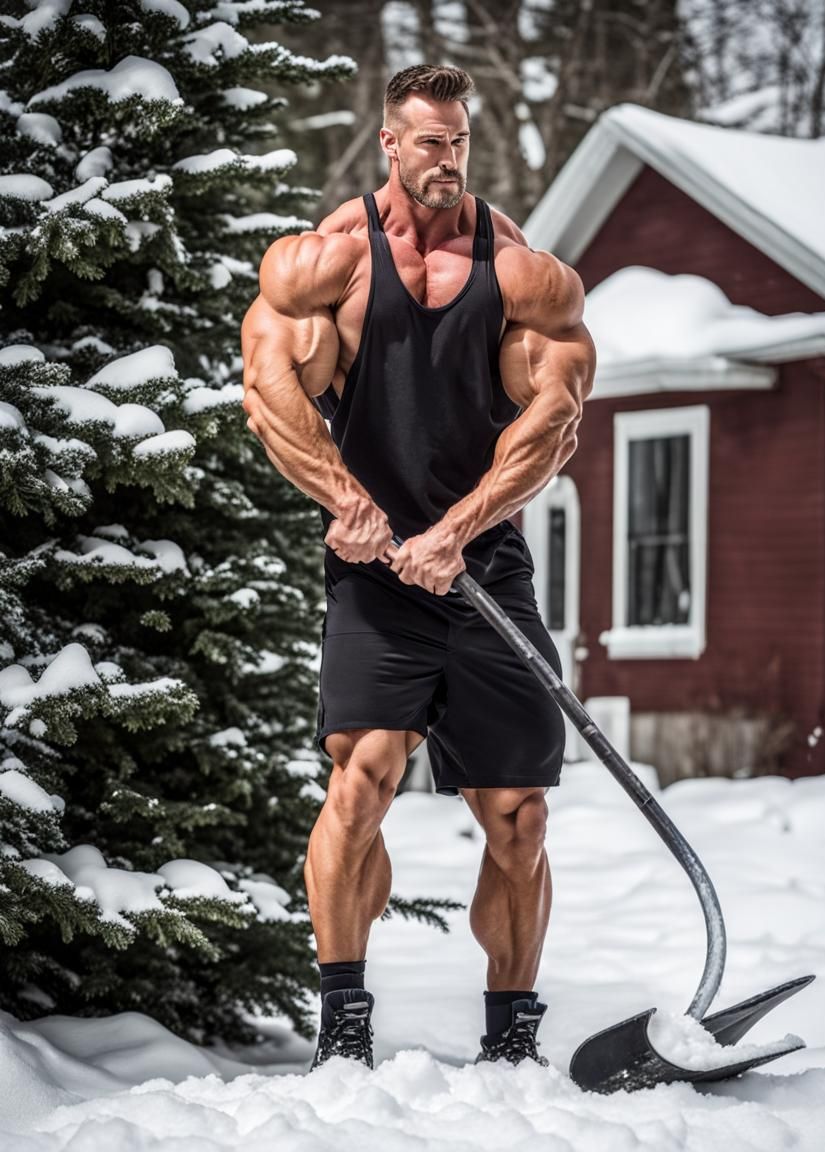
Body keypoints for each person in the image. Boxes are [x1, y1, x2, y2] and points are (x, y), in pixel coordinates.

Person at [241, 63, 596, 1072]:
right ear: (388, 144)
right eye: (430, 142)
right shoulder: (327, 262)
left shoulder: (523, 273)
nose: (448, 161)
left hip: (484, 568)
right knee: (360, 782)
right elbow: (269, 395)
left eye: (460, 143)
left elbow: (555, 418)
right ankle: (342, 1028)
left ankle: (510, 1038)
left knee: (518, 817)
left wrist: (464, 524)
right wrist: (344, 500)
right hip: (373, 574)